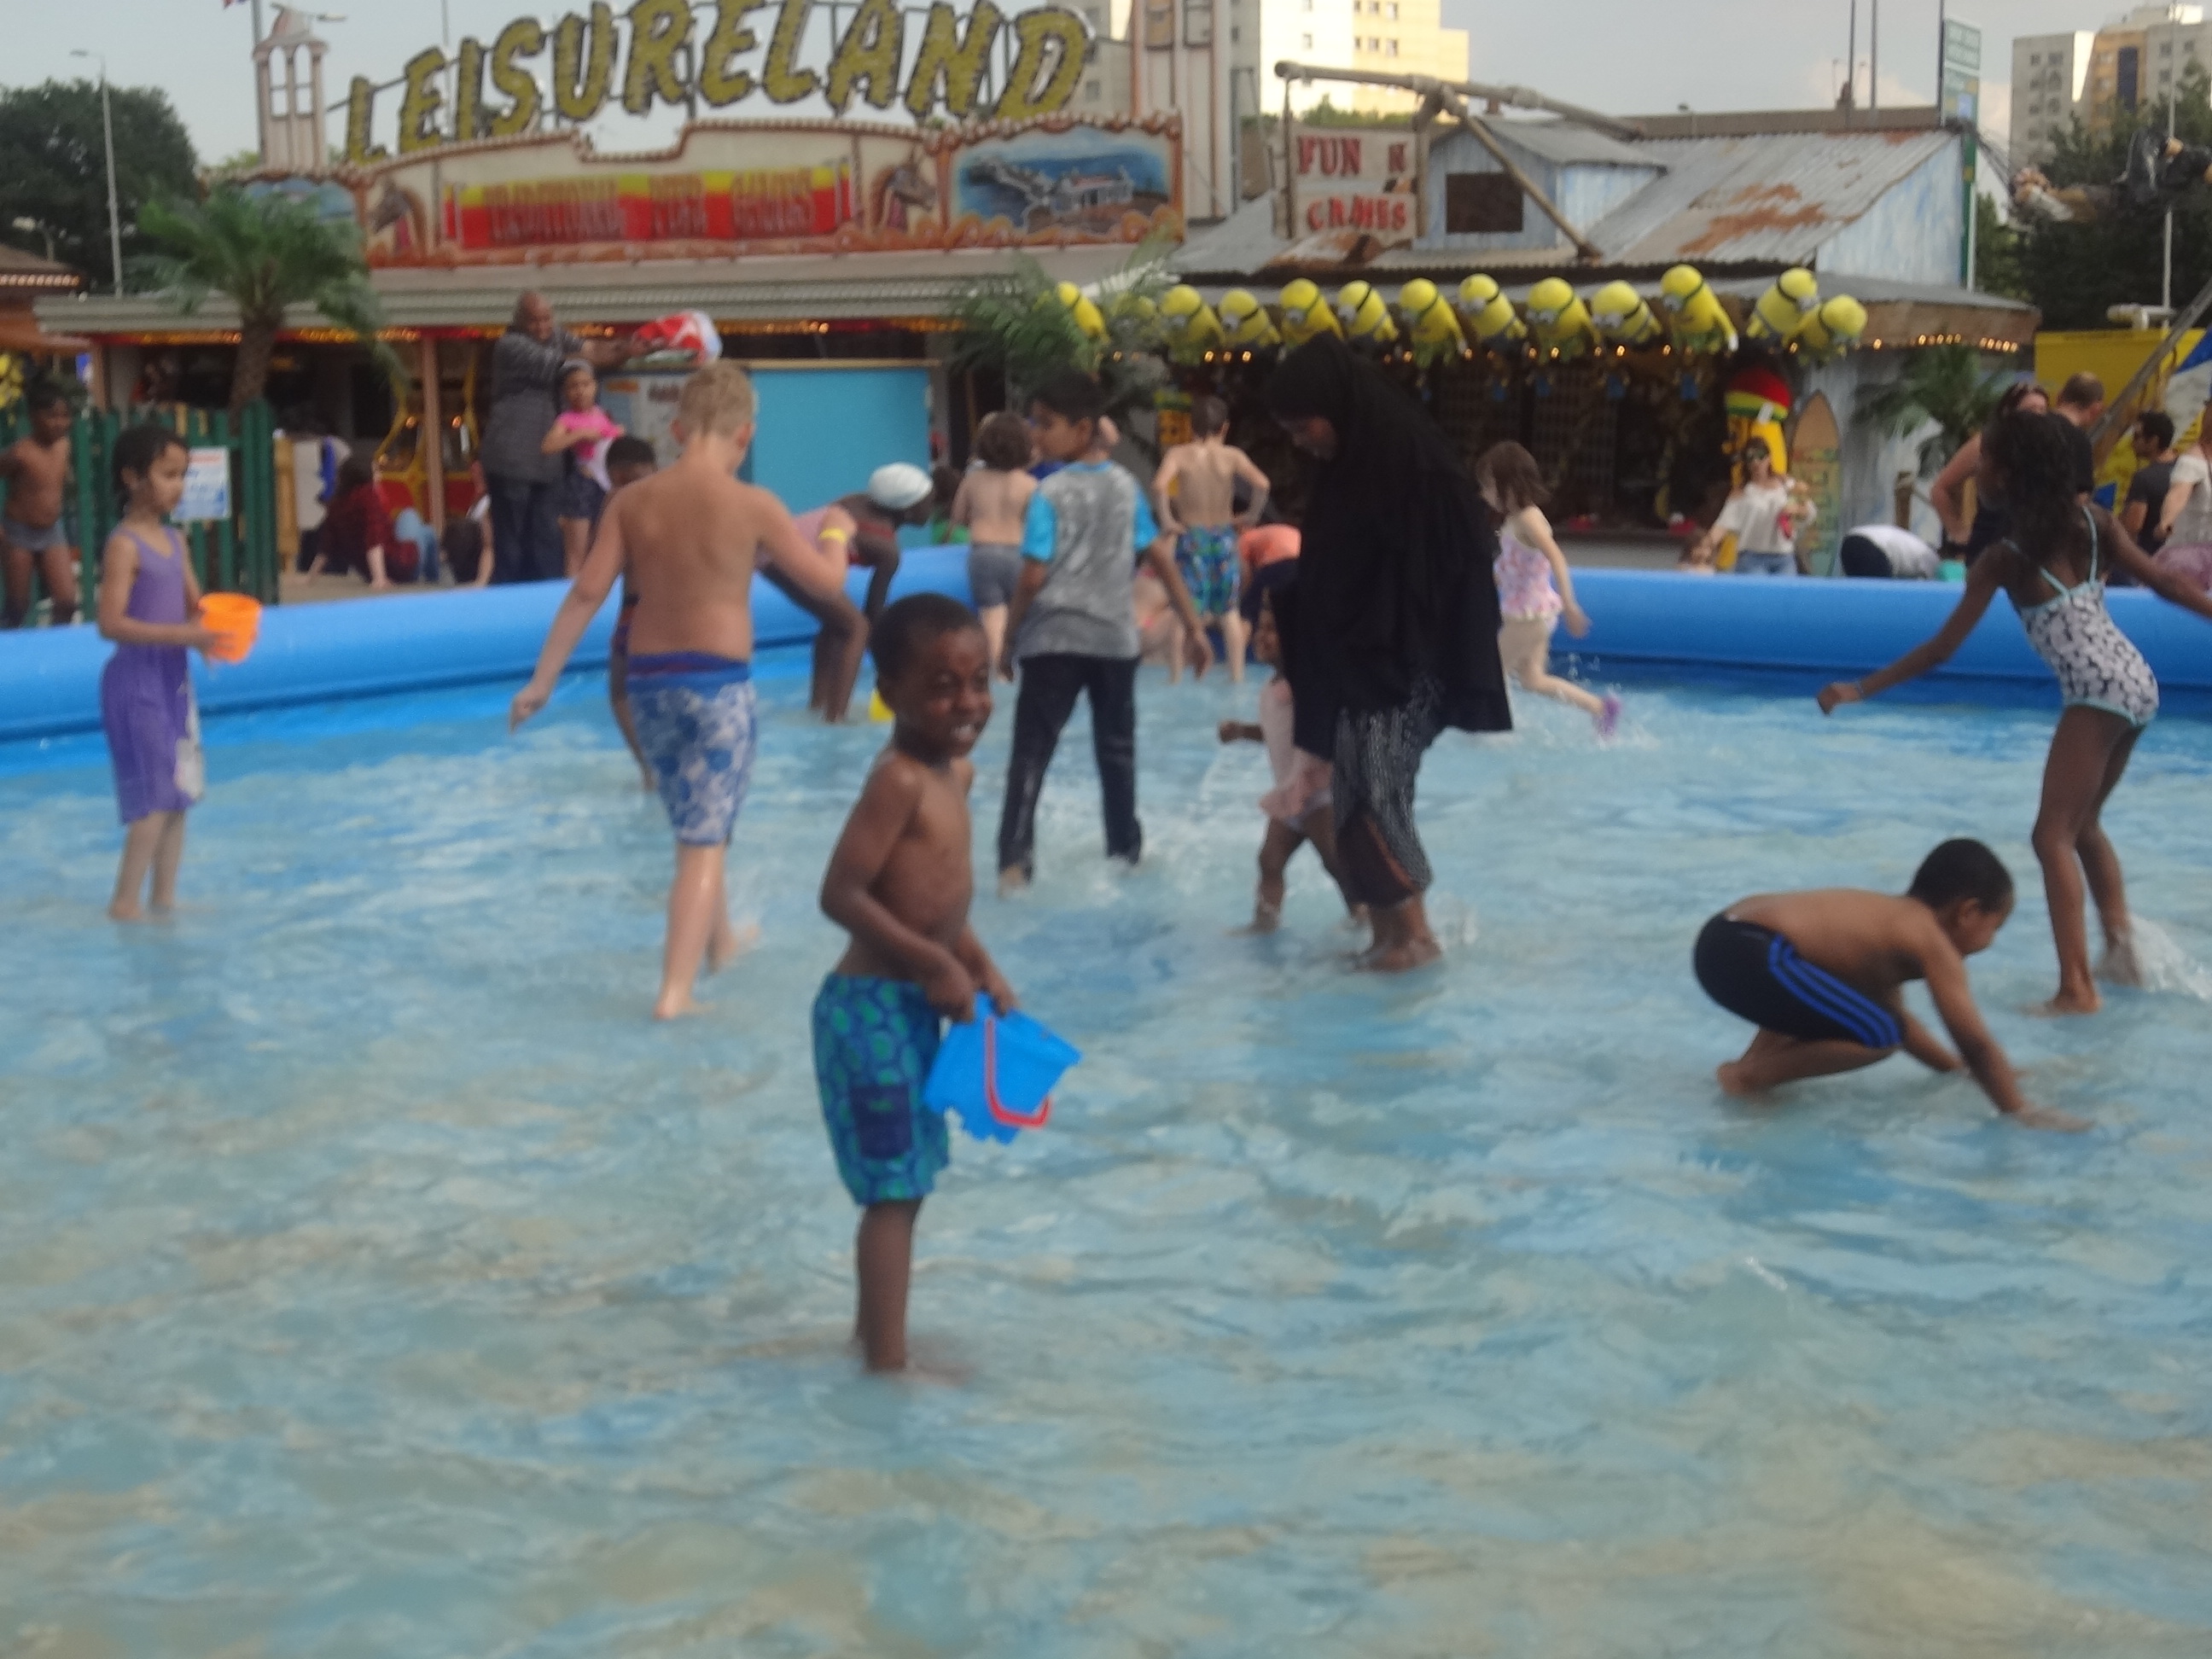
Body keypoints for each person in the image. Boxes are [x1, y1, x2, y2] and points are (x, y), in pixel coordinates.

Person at [1819, 410, 2212, 1014]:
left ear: (2006, 475)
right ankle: (2122, 956)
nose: (1978, 474)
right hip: (2137, 683)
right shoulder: (2094, 523)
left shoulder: (2005, 559)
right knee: (2084, 827)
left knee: (2049, 836)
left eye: (1984, 464)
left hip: (2096, 690)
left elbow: (1942, 649)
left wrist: (1861, 688)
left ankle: (2076, 988)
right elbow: (2166, 582)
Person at [509, 362, 853, 1020]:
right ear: (745, 434)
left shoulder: (631, 502)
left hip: (649, 687)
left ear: (675, 430)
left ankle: (721, 943)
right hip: (718, 687)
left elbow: (586, 593)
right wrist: (837, 531)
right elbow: (829, 585)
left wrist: (541, 682)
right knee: (703, 841)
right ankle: (675, 993)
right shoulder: (754, 505)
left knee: (697, 820)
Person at [1264, 335, 1511, 971]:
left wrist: (1405, 642)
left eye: (1304, 426)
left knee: (1377, 787)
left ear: (1335, 406)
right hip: (1363, 662)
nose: (1301, 442)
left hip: (1408, 663)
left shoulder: (1414, 462)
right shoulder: (1350, 462)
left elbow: (1458, 566)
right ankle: (1386, 936)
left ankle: (1416, 936)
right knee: (1353, 791)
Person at [813, 593, 1016, 1374]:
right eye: (940, 686)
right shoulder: (897, 781)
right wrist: (933, 965)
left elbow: (931, 900)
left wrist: (978, 964)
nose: (967, 703)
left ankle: (874, 1340)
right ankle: (888, 1369)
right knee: (892, 1193)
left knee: (908, 1184)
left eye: (979, 682)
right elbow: (840, 894)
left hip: (908, 1010)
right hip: (866, 1014)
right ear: (889, 692)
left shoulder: (954, 775)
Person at [996, 370, 1213, 894]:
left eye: (1045, 424)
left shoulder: (1050, 492)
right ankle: (1125, 852)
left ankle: (1014, 863)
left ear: (1082, 428)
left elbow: (1033, 574)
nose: (1036, 434)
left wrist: (1008, 635)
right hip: (1115, 642)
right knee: (1117, 753)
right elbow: (1159, 556)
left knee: (1031, 753)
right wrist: (1193, 626)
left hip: (1053, 639)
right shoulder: (1124, 486)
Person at [1695, 839, 2085, 1130]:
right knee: (1879, 1034)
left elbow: (1899, 1019)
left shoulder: (1887, 925)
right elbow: (1974, 1041)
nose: (1992, 941)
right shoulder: (1928, 939)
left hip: (1725, 940)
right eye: (1995, 926)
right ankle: (1747, 1078)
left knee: (1853, 1010)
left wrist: (1956, 1071)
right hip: (1752, 950)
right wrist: (2018, 1109)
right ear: (1968, 912)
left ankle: (1751, 1069)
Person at [96, 424, 219, 923]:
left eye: (182, 475)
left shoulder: (174, 540)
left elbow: (195, 606)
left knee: (180, 793)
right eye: (168, 475)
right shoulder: (123, 545)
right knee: (153, 798)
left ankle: (163, 900)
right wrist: (184, 636)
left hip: (173, 681)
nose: (179, 486)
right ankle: (125, 903)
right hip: (136, 684)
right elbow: (110, 623)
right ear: (132, 477)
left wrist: (218, 630)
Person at [1217, 589, 1363, 934]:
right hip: (1290, 794)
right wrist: (1242, 732)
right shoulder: (1271, 687)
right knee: (1269, 861)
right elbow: (1276, 732)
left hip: (1319, 793)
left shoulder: (1302, 685)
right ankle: (1264, 923)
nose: (1261, 636)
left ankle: (1365, 919)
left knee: (1337, 865)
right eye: (1261, 628)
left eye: (1273, 630)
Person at [480, 291, 640, 585]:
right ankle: (507, 607)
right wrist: (610, 351)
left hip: (549, 464)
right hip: (512, 458)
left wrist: (628, 348)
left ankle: (544, 607)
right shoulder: (510, 345)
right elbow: (571, 363)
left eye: (547, 319)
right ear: (519, 322)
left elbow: (592, 348)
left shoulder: (558, 336)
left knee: (548, 543)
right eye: (534, 321)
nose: (543, 327)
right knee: (512, 546)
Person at [770, 463, 935, 724]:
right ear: (908, 511)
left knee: (837, 622)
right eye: (928, 502)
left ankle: (818, 705)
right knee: (856, 628)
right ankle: (836, 718)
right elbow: (874, 612)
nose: (933, 507)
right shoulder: (885, 548)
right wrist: (891, 661)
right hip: (791, 562)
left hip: (775, 555)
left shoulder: (857, 501)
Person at [1475, 440, 1621, 735]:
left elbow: (1556, 557)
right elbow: (1515, 569)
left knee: (1490, 672)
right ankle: (1600, 708)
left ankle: (1490, 734)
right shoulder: (1515, 519)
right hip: (1534, 613)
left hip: (1528, 617)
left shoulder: (1528, 519)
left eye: (1489, 486)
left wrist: (1570, 604)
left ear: (1509, 485)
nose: (1484, 494)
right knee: (1533, 680)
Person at [1152, 394, 1272, 684]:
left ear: (1191, 426)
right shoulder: (1232, 456)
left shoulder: (1179, 455)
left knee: (1184, 612)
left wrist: (1167, 521)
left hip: (1192, 537)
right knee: (1229, 612)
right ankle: (1237, 679)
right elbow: (1263, 484)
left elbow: (1158, 486)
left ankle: (1175, 678)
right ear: (1225, 427)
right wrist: (1251, 515)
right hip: (1223, 536)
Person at [950, 411, 1037, 668]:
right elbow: (1038, 524)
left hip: (983, 554)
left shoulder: (972, 480)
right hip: (1019, 554)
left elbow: (958, 517)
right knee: (1026, 615)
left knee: (992, 617)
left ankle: (999, 671)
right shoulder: (1029, 484)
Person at [1930, 381, 2050, 563]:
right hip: (1990, 541)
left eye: (2042, 410)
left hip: (2032, 542)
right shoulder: (1986, 443)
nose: (2037, 416)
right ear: (2009, 411)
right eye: (2030, 409)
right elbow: (1940, 489)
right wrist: (1958, 531)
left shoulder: (2047, 447)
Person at [600, 435, 659, 791]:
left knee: (621, 692)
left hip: (638, 607)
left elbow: (599, 570)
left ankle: (649, 767)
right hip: (666, 607)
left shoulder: (616, 504)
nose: (627, 489)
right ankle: (655, 766)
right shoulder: (671, 499)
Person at [1, 383, 80, 627]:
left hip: (51, 531)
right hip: (19, 532)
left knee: (67, 601)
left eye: (64, 416)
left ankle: (55, 644)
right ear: (33, 417)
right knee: (18, 604)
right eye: (51, 416)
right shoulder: (20, 453)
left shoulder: (64, 445)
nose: (59, 423)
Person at [541, 359, 624, 578]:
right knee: (576, 552)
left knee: (601, 547)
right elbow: (548, 446)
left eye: (585, 384)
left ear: (595, 386)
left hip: (607, 485)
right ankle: (570, 589)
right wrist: (579, 434)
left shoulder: (602, 414)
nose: (580, 391)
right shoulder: (566, 419)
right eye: (573, 386)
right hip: (582, 484)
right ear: (565, 392)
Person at [1683, 442, 1816, 576]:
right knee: (1756, 589)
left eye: (1761, 456)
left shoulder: (1786, 484)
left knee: (1785, 590)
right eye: (1750, 458)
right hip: (1752, 558)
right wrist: (1702, 547)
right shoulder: (1741, 492)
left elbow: (1809, 511)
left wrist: (1797, 509)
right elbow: (1722, 525)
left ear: (1769, 458)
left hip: (1784, 556)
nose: (1756, 462)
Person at [308, 456, 409, 588]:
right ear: (366, 474)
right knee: (410, 517)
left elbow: (326, 546)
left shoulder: (337, 504)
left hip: (367, 571)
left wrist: (311, 577)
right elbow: (374, 536)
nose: (379, 475)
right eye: (376, 471)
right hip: (398, 565)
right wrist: (379, 578)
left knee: (411, 524)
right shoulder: (368, 495)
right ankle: (432, 577)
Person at [2121, 410, 2178, 555]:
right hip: (2177, 552)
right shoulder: (2185, 470)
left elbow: (2132, 528)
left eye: (2137, 436)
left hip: (2147, 554)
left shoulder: (2144, 478)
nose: (2132, 442)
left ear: (2153, 441)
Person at [442, 461, 496, 588]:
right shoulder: (478, 500)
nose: (474, 474)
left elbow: (488, 543)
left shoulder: (491, 501)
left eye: (479, 473)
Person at [1837, 522, 1941, 579]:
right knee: (1878, 595)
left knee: (1857, 589)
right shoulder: (1930, 556)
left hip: (1851, 540)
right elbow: (1935, 585)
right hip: (1873, 547)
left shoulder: (1914, 543)